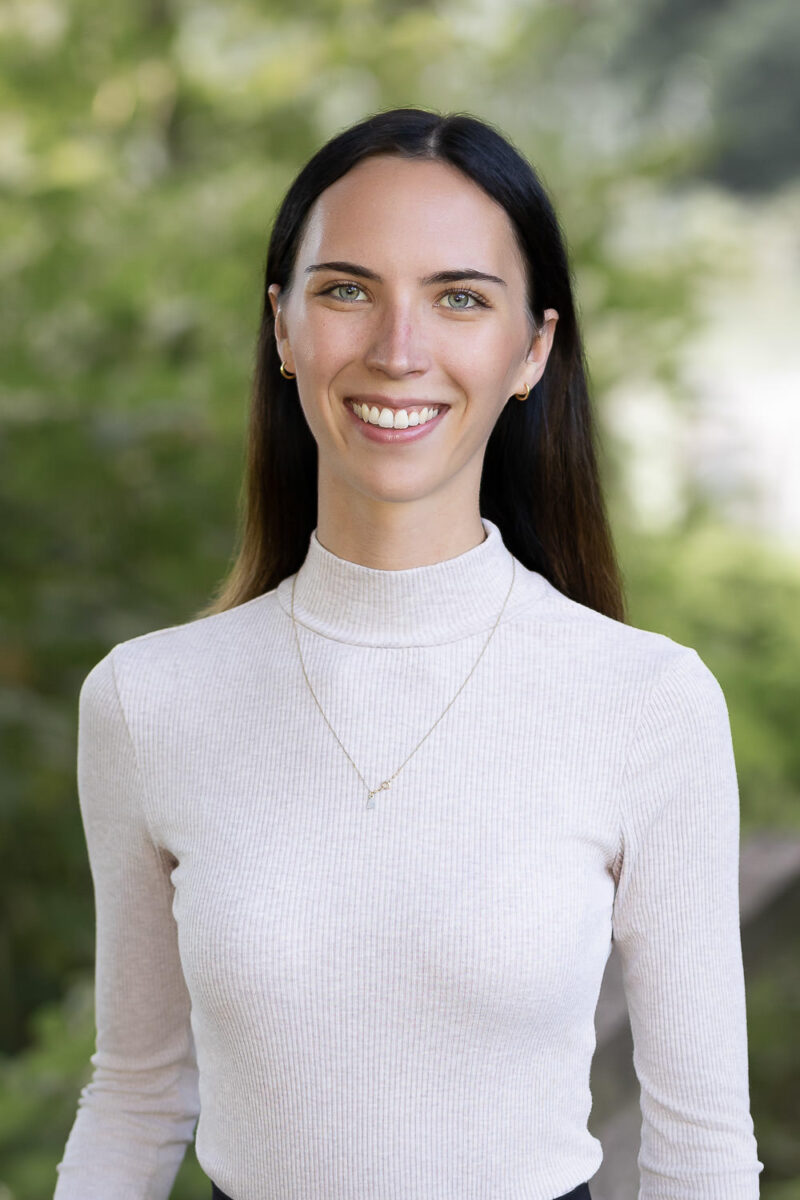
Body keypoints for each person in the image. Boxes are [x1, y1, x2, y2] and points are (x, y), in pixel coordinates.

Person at [54, 107, 763, 1200]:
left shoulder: (645, 701)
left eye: (459, 298)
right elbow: (137, 1098)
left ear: (530, 350)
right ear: (282, 328)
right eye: (345, 289)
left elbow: (700, 1150)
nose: (397, 349)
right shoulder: (149, 703)